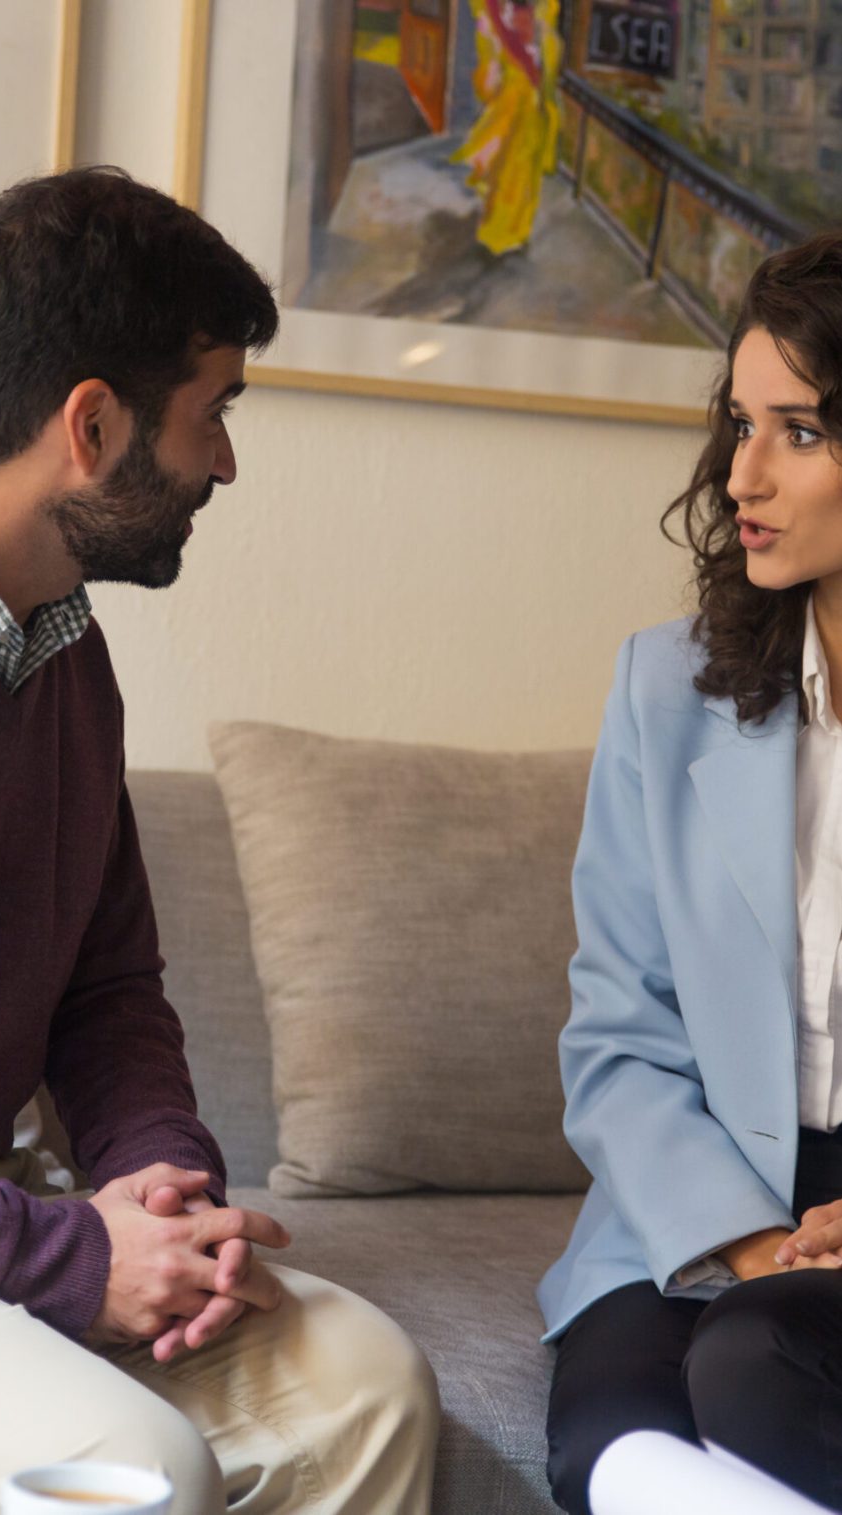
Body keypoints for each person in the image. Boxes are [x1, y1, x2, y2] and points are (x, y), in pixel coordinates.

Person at [0, 166, 438, 1515]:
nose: (223, 462)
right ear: (91, 424)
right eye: (211, 415)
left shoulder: (61, 655)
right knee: (134, 1466)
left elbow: (107, 983)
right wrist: (57, 1255)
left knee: (369, 1382)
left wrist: (155, 1177)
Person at [539, 229, 842, 1514]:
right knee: (605, 1437)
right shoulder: (663, 688)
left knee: (755, 1375)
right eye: (735, 423)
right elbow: (616, 1036)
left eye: (799, 430)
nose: (741, 473)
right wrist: (759, 1241)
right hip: (702, 1193)